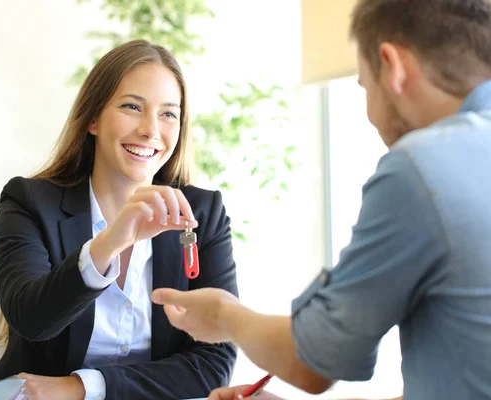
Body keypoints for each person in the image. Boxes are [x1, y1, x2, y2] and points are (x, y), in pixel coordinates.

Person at [152, 0, 491, 399]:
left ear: (392, 64)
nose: (371, 115)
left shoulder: (421, 167)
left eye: (364, 85)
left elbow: (314, 365)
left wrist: (225, 317)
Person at [0, 39, 238, 400]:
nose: (151, 130)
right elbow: (31, 320)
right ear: (92, 118)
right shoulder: (29, 202)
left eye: (168, 113)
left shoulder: (203, 214)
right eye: (132, 107)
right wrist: (110, 241)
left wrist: (83, 388)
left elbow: (215, 360)